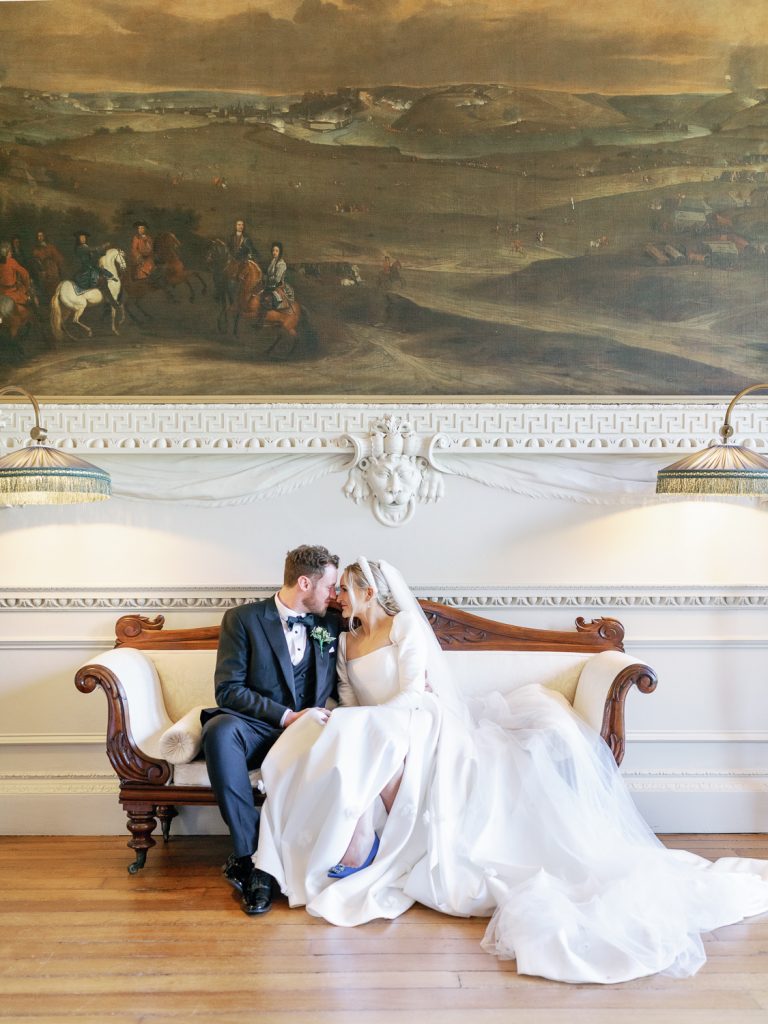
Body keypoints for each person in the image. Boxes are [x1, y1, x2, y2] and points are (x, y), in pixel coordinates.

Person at [254, 558, 768, 985]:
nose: (338, 598)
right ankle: (334, 840)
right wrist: (343, 715)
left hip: (418, 718)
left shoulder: (404, 626)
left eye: (343, 589)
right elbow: (346, 697)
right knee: (332, 729)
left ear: (367, 590)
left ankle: (360, 842)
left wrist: (372, 718)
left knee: (363, 730)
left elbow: (414, 690)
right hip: (381, 727)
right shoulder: (344, 642)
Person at [201, 544, 342, 917]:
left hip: (309, 733)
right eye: (330, 586)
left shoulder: (330, 624)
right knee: (219, 731)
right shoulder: (243, 619)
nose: (335, 594)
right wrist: (285, 716)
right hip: (257, 727)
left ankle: (298, 864)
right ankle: (251, 859)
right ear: (304, 583)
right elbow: (228, 690)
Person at [31, 230, 64, 301]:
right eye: (38, 236)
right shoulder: (36, 249)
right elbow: (36, 261)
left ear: (44, 236)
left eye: (41, 236)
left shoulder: (50, 247)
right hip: (43, 271)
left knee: (55, 289)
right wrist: (41, 270)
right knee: (46, 290)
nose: (39, 237)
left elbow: (58, 258)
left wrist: (57, 267)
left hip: (53, 270)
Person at [261, 241, 294, 310]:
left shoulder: (281, 264)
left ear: (280, 252)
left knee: (272, 301)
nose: (274, 252)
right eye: (273, 250)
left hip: (278, 285)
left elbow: (277, 279)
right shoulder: (273, 261)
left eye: (276, 251)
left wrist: (267, 278)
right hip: (270, 284)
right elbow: (268, 273)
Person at [0, 241, 32, 307]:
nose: (11, 253)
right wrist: (27, 287)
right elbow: (25, 274)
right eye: (10, 251)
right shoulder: (11, 261)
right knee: (30, 304)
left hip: (1, 293)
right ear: (7, 252)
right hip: (12, 293)